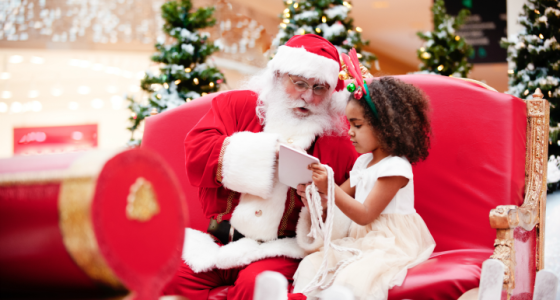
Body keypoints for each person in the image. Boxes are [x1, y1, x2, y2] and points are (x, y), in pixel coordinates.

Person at [162, 34, 359, 300]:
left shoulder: (338, 139)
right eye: (299, 83)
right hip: (220, 242)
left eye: (319, 88)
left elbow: (354, 201)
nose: (307, 96)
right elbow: (197, 154)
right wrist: (264, 152)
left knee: (257, 286)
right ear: (278, 76)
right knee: (170, 277)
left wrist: (322, 200)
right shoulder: (236, 105)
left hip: (282, 249)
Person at [292, 76, 437, 300]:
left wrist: (330, 187)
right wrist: (317, 195)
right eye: (349, 123)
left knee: (352, 280)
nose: (350, 131)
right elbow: (338, 197)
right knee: (313, 264)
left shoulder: (396, 168)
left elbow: (365, 214)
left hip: (391, 244)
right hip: (361, 240)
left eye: (357, 125)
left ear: (386, 127)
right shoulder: (363, 163)